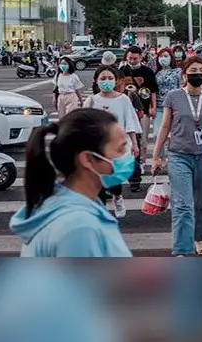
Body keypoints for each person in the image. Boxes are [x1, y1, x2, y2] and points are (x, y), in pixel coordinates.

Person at [9, 108, 133, 257]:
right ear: (88, 159)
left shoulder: (63, 204)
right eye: (120, 149)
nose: (127, 156)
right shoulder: (79, 227)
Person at [151, 57, 202, 256]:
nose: (198, 74)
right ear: (184, 74)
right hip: (178, 155)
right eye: (193, 70)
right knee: (183, 205)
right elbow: (165, 126)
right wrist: (156, 155)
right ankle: (182, 249)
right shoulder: (173, 96)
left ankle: (199, 236)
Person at [82, 65, 142, 218]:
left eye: (110, 78)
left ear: (116, 80)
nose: (106, 81)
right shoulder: (91, 100)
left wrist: (134, 143)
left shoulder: (123, 99)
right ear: (96, 81)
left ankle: (117, 196)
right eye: (103, 78)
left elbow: (130, 122)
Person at [120, 46, 158, 179]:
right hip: (125, 110)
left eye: (135, 58)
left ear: (141, 57)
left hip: (144, 109)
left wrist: (153, 107)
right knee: (126, 139)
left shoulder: (147, 71)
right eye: (130, 58)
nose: (132, 60)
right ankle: (129, 163)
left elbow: (153, 90)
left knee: (143, 139)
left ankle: (141, 162)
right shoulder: (122, 70)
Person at [154, 47, 183, 146]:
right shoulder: (156, 73)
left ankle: (172, 158)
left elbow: (182, 87)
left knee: (173, 135)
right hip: (159, 107)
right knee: (157, 134)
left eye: (166, 56)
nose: (163, 58)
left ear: (171, 58)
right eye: (161, 56)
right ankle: (161, 158)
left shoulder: (178, 71)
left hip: (174, 107)